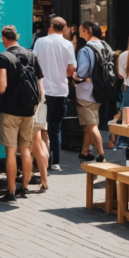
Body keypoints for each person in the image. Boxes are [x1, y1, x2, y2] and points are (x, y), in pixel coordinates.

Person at [0, 25, 43, 201]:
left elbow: (2, 86)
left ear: (4, 38)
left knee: (10, 152)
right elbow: (40, 84)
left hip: (10, 111)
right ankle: (24, 188)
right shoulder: (32, 54)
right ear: (17, 36)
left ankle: (10, 192)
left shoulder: (3, 57)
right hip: (29, 110)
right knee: (25, 150)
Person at [32, 16, 75, 172]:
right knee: (55, 128)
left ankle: (41, 160)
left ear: (50, 26)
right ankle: (55, 161)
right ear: (64, 29)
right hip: (60, 90)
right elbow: (70, 71)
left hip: (42, 91)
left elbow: (33, 65)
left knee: (41, 128)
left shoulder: (40, 41)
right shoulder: (68, 44)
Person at [72, 22, 107, 164]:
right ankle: (85, 152)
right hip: (100, 91)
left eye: (81, 31)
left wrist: (75, 75)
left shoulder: (85, 50)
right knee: (89, 124)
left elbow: (82, 72)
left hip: (86, 93)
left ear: (87, 31)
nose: (80, 34)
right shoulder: (106, 47)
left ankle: (101, 154)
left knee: (92, 126)